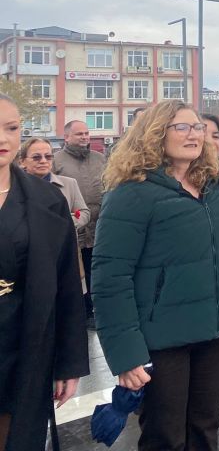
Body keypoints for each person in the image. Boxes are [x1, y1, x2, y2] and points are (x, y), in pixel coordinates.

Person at [92, 100, 219, 450]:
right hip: (161, 339)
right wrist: (126, 355)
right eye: (181, 127)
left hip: (216, 332)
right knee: (164, 436)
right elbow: (111, 277)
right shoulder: (131, 192)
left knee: (205, 428)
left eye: (197, 127)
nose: (194, 134)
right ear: (155, 134)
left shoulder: (217, 186)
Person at [0, 94, 88, 451]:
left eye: (11, 128)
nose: (3, 138)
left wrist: (69, 362)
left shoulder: (47, 200)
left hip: (24, 345)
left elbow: (66, 284)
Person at [53, 119, 107, 327]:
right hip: (73, 227)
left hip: (99, 226)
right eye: (79, 134)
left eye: (86, 133)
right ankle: (82, 311)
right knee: (77, 272)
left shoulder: (100, 158)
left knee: (97, 270)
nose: (84, 137)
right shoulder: (56, 161)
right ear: (67, 137)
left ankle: (97, 310)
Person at [19, 138, 90, 293]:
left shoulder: (69, 184)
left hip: (64, 255)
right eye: (36, 157)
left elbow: (84, 212)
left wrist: (67, 222)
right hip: (28, 259)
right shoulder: (14, 189)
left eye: (48, 156)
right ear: (22, 161)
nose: (43, 161)